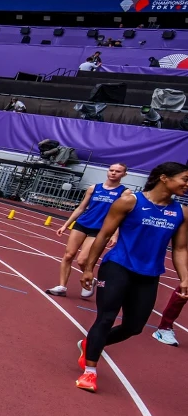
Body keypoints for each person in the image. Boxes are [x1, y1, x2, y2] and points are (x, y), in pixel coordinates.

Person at [74, 162, 188, 392]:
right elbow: (104, 234)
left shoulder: (181, 212)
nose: (187, 185)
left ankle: (90, 344)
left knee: (134, 327)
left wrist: (184, 278)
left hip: (149, 274)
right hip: (118, 266)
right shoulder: (130, 201)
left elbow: (180, 249)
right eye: (184, 179)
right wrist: (89, 268)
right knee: (106, 318)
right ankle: (90, 372)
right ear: (164, 178)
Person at [46, 163, 128, 299]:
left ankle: (90, 280)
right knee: (68, 255)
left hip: (100, 229)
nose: (113, 173)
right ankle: (62, 286)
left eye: (118, 171)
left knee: (82, 260)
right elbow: (81, 208)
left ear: (124, 174)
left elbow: (121, 215)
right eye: (111, 170)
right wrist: (66, 225)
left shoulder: (124, 193)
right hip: (82, 224)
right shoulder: (94, 188)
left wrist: (115, 234)